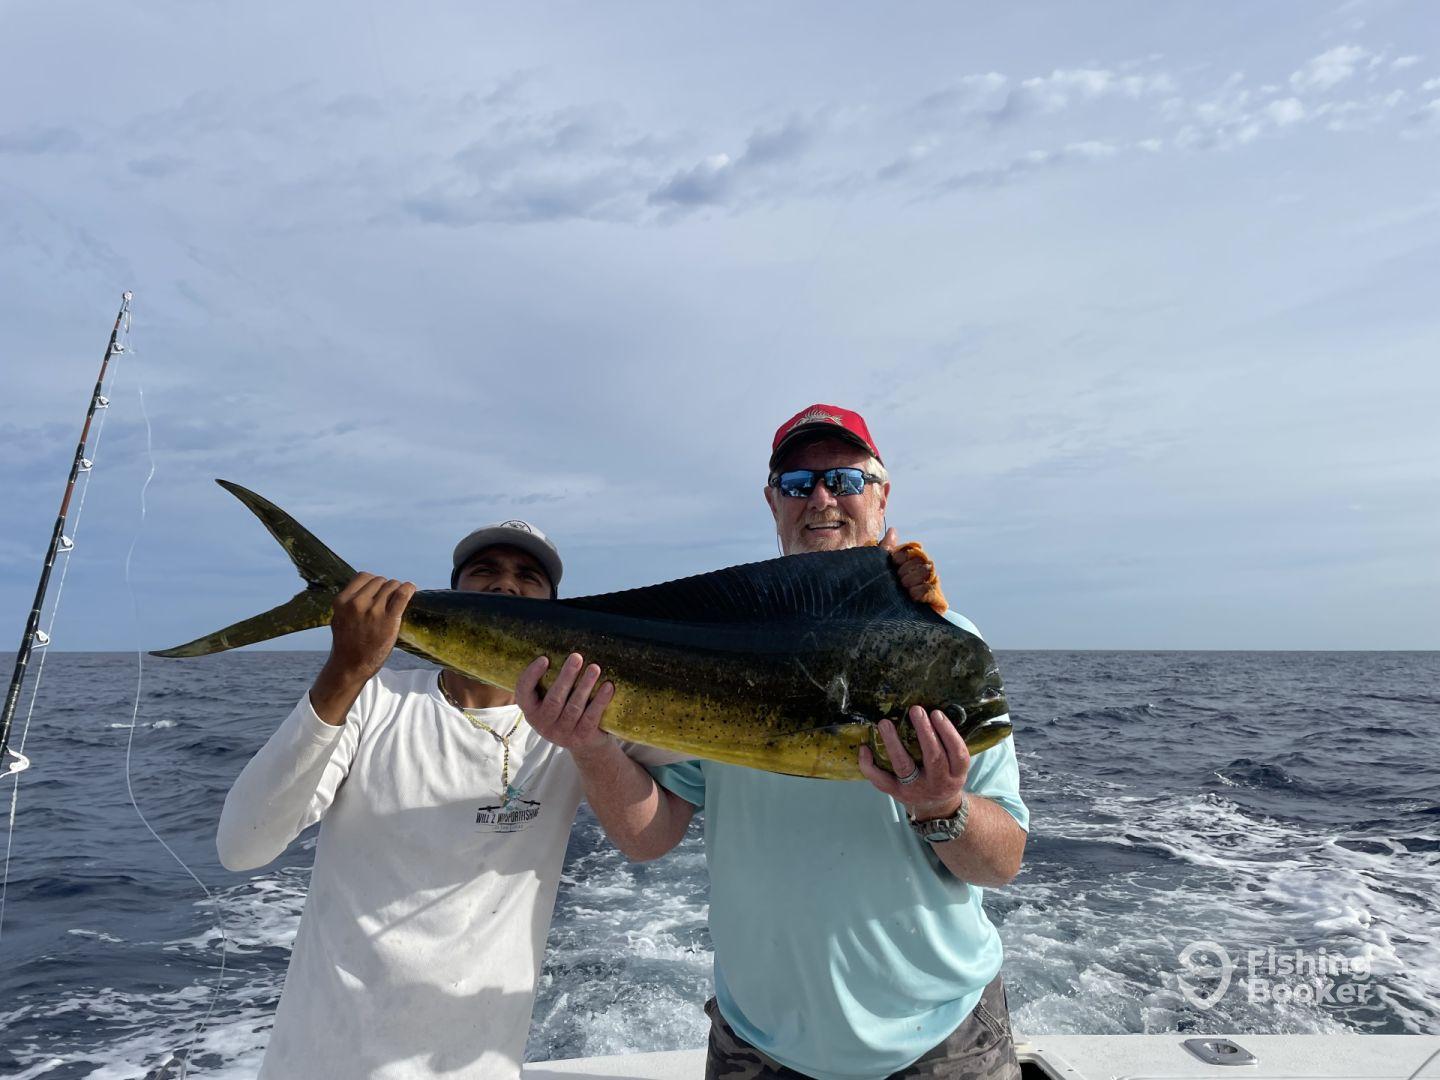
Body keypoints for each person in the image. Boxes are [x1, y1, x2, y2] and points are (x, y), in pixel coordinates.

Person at [518, 404, 1030, 1080]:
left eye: (844, 479)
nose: (820, 497)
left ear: (881, 494)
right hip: (758, 1048)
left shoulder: (948, 649)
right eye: (797, 484)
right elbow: (649, 837)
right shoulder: (723, 647)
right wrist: (590, 746)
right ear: (773, 502)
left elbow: (1002, 863)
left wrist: (943, 807)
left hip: (941, 1044)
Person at [216, 520, 671, 1080]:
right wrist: (345, 669)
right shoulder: (371, 701)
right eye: (486, 572)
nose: (506, 586)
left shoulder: (582, 722)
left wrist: (592, 745)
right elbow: (241, 847)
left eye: (529, 578)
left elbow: (653, 834)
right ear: (450, 591)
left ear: (558, 609)